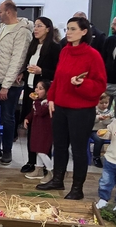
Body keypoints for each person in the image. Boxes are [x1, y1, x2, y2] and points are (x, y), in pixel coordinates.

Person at [36, 17, 107, 199]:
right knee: (59, 146)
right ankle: (57, 180)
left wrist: (82, 83)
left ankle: (77, 188)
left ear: (84, 32)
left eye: (73, 29)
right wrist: (51, 98)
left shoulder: (93, 55)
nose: (68, 32)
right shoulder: (65, 51)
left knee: (78, 149)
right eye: (67, 28)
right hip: (60, 107)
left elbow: (100, 85)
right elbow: (58, 79)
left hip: (81, 110)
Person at [0, 0, 33, 164]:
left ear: (9, 12)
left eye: (0, 11)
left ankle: (7, 151)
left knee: (7, 118)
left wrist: (5, 86)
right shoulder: (3, 27)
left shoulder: (22, 32)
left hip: (10, 85)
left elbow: (17, 60)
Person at [20, 17, 60, 173]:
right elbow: (28, 65)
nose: (35, 29)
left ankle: (45, 164)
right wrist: (23, 74)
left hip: (44, 92)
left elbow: (57, 72)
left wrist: (41, 71)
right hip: (30, 90)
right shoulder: (33, 45)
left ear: (48, 29)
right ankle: (32, 161)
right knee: (30, 125)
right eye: (35, 26)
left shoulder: (54, 47)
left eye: (39, 26)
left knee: (43, 129)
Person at [23, 80, 54, 183]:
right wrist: (27, 118)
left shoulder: (47, 103)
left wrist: (35, 101)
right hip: (37, 129)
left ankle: (51, 171)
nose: (36, 90)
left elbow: (40, 112)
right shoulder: (38, 102)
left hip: (45, 131)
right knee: (37, 150)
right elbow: (33, 112)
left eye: (40, 89)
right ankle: (38, 170)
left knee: (42, 151)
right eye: (36, 87)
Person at [90, 93, 114, 168]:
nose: (104, 105)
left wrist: (106, 119)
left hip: (105, 130)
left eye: (106, 103)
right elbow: (90, 120)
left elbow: (111, 122)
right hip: (94, 130)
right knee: (99, 139)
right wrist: (98, 118)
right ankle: (96, 157)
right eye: (101, 103)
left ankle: (113, 156)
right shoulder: (94, 110)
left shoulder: (110, 112)